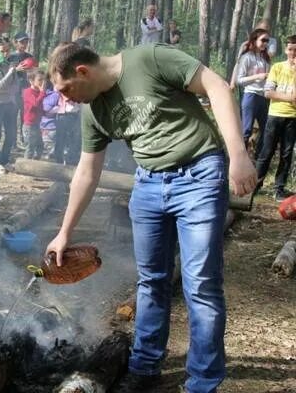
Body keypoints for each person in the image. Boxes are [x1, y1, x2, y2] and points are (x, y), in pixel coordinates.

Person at [46, 43, 256, 393]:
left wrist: (238, 154)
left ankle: (202, 383)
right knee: (151, 280)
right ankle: (145, 368)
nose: (66, 99)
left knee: (201, 284)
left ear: (82, 71)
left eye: (65, 90)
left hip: (200, 176)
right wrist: (64, 232)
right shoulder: (93, 111)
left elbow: (217, 86)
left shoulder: (149, 59)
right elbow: (87, 171)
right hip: (147, 185)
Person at [256, 35, 296, 202]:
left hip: (293, 117)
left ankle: (279, 188)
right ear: (286, 50)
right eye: (290, 49)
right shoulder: (277, 68)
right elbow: (268, 92)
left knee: (286, 154)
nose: (293, 53)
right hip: (275, 115)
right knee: (267, 151)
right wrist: (289, 98)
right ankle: (255, 185)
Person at [0, 37, 30, 174]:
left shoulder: (9, 64)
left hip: (10, 103)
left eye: (6, 50)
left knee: (11, 134)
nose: (5, 54)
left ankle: (5, 160)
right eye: (1, 51)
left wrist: (9, 81)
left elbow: (15, 86)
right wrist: (12, 72)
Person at [236, 28, 271, 159]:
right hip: (250, 96)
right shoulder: (246, 57)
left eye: (267, 41)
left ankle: (257, 157)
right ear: (254, 40)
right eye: (263, 40)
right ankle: (240, 159)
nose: (265, 43)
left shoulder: (266, 59)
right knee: (246, 130)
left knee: (267, 129)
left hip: (263, 97)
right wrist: (257, 76)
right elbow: (239, 80)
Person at [8, 31, 35, 146]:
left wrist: (32, 71)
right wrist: (16, 69)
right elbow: (6, 74)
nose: (24, 44)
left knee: (25, 116)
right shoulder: (10, 57)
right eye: (21, 42)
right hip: (14, 91)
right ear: (15, 43)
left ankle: (24, 139)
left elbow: (35, 74)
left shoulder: (30, 57)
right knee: (13, 117)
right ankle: (12, 141)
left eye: (26, 42)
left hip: (26, 91)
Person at [22, 69, 47, 159]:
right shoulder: (28, 92)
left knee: (40, 145)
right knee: (30, 147)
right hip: (29, 125)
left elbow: (40, 106)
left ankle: (35, 164)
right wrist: (42, 92)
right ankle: (25, 166)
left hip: (37, 123)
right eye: (40, 80)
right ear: (31, 81)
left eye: (44, 80)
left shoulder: (39, 92)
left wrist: (44, 113)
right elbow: (35, 103)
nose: (42, 83)